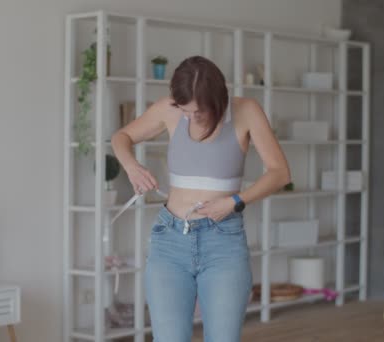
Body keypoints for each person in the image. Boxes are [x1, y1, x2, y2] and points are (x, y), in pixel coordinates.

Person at [111, 55, 291, 342]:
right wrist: (132, 167)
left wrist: (235, 201)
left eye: (199, 112)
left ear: (218, 99)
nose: (192, 119)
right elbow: (121, 137)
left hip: (223, 244)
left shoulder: (246, 111)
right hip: (169, 241)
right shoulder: (169, 110)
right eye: (186, 111)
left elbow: (280, 173)